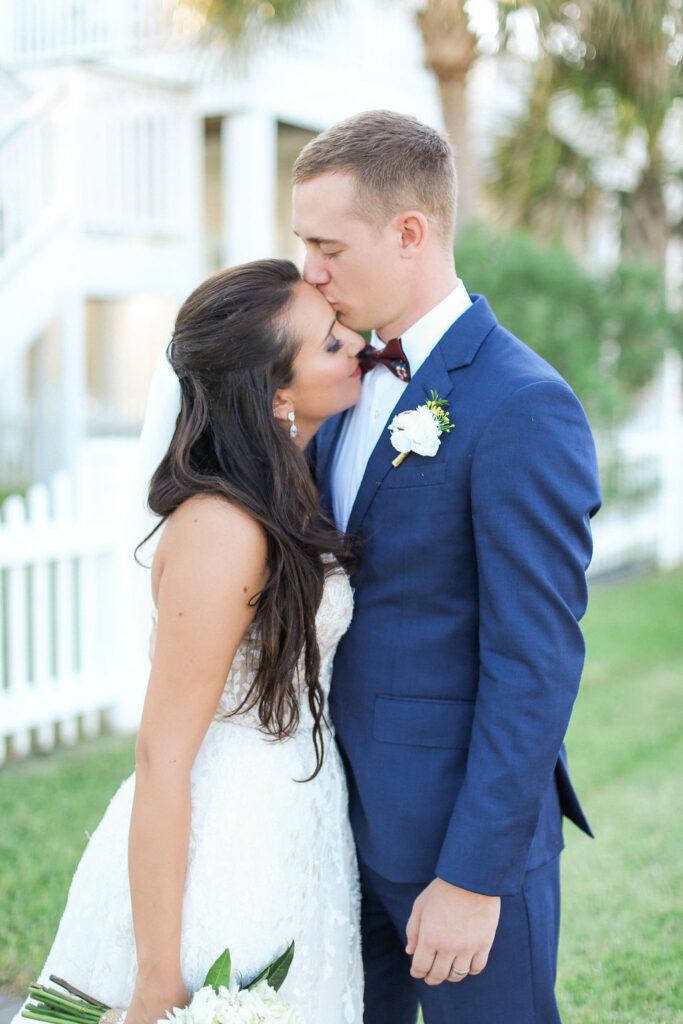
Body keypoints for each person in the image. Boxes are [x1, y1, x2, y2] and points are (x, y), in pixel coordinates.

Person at [293, 110, 602, 1024]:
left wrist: (471, 878)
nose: (309, 271)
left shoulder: (521, 406)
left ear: (410, 233)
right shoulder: (337, 382)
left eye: (326, 245)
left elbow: (533, 660)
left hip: (455, 850)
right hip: (327, 836)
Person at [12, 259, 366, 1024]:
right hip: (224, 849)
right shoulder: (221, 529)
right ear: (276, 394)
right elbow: (161, 756)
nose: (358, 347)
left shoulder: (280, 494)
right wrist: (155, 976)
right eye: (333, 344)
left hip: (296, 824)